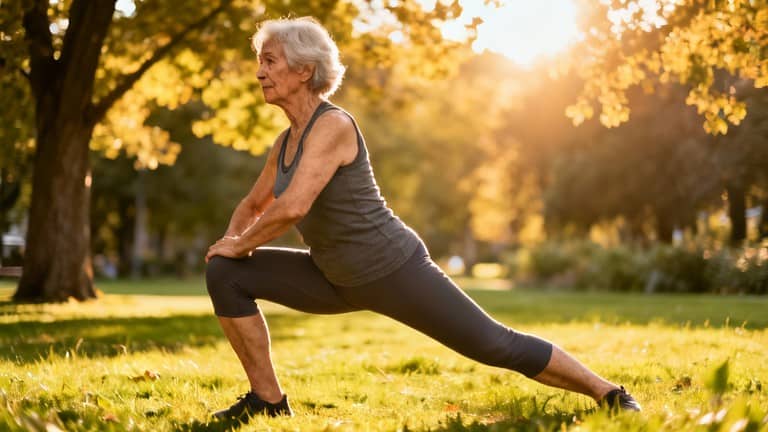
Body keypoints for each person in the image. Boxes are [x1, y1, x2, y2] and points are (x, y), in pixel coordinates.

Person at [204, 16, 641, 421]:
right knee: (225, 273)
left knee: (492, 344)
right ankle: (268, 400)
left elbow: (293, 206)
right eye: (259, 62)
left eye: (269, 61)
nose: (259, 72)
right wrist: (230, 243)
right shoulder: (285, 143)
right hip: (332, 275)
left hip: (392, 267)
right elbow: (252, 204)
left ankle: (609, 395)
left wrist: (242, 245)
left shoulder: (333, 126)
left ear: (303, 71)